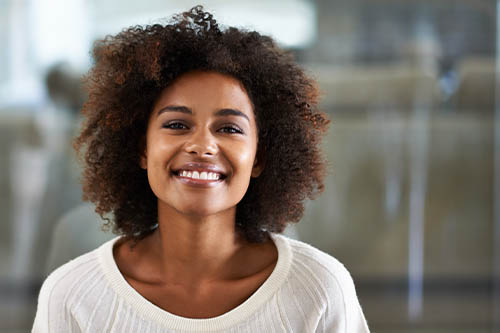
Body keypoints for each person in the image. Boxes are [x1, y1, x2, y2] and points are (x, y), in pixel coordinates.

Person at [32, 6, 370, 332]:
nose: (203, 145)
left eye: (229, 128)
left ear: (260, 158)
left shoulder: (319, 289)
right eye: (177, 124)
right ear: (142, 150)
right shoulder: (72, 296)